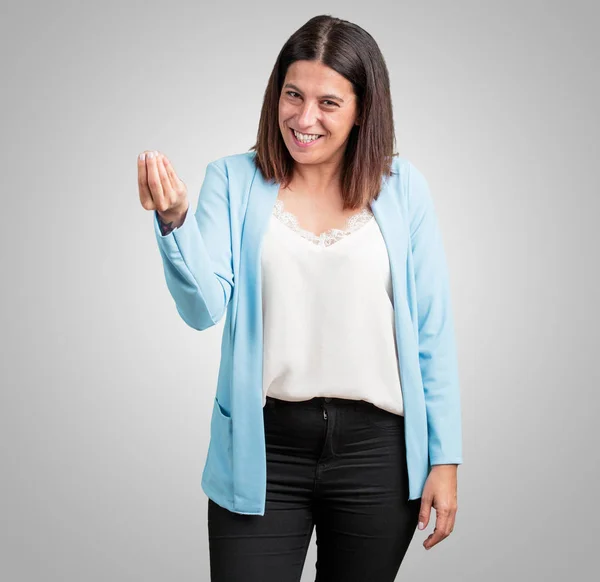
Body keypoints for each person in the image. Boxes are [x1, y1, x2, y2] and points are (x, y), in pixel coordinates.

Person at [137, 14, 463, 582]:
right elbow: (202, 308)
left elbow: (432, 328)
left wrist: (445, 458)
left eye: (328, 103)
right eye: (293, 95)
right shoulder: (233, 180)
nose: (304, 118)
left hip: (378, 455)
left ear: (364, 108)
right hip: (264, 449)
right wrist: (175, 220)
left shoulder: (403, 187)